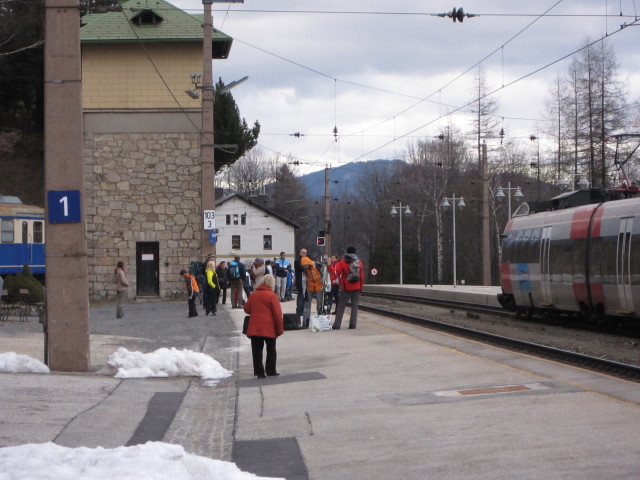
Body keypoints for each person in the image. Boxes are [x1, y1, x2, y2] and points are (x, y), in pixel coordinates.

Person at [243, 274, 284, 379]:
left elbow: (247, 309)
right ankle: (271, 370)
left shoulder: (253, 294)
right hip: (269, 328)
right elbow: (277, 314)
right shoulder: (272, 295)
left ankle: (259, 372)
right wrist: (279, 329)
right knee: (271, 350)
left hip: (255, 327)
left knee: (256, 351)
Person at [332, 246, 364, 330]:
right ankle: (353, 325)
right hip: (356, 287)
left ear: (347, 252)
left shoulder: (343, 261)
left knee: (341, 306)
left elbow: (338, 272)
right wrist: (361, 289)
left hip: (346, 287)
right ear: (355, 252)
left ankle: (337, 325)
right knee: (354, 306)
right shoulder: (359, 262)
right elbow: (361, 277)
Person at [301, 252, 324, 328]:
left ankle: (321, 322)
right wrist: (305, 290)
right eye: (304, 266)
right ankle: (305, 323)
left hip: (319, 287)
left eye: (305, 265)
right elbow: (304, 279)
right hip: (310, 287)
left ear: (308, 263)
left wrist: (324, 285)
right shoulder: (305, 269)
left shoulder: (317, 265)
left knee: (319, 304)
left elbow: (324, 274)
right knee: (307, 305)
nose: (305, 267)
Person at [294, 247, 307, 319]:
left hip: (305, 280)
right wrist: (306, 266)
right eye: (303, 253)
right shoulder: (297, 261)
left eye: (305, 253)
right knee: (300, 294)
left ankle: (302, 309)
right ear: (300, 253)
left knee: (304, 295)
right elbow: (301, 268)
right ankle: (299, 310)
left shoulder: (307, 260)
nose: (304, 254)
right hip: (300, 280)